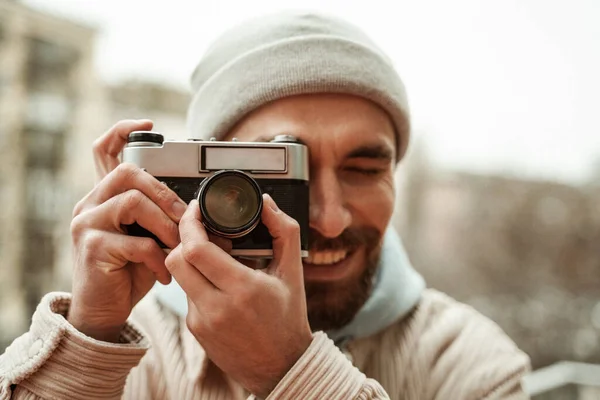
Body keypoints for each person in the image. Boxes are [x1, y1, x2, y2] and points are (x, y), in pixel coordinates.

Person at [0, 11, 530, 400]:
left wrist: (290, 370)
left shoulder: (471, 366)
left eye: (364, 170)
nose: (326, 217)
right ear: (203, 186)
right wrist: (89, 337)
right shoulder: (134, 349)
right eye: (284, 176)